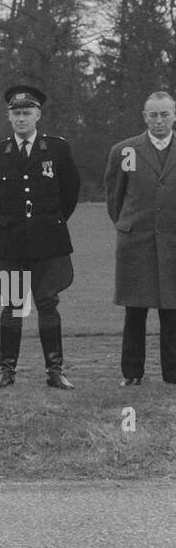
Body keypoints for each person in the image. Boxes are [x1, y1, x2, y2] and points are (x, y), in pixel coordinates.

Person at [0, 85, 79, 389]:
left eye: (26, 113)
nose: (21, 118)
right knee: (12, 305)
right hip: (11, 241)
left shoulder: (58, 148)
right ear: (9, 117)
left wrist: (53, 220)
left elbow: (70, 192)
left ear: (38, 115)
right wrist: (10, 222)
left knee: (48, 303)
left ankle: (55, 370)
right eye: (16, 113)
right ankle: (7, 371)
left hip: (49, 240)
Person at [103, 91, 176, 386]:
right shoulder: (125, 151)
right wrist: (128, 225)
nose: (159, 121)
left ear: (174, 115)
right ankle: (132, 374)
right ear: (144, 117)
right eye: (153, 115)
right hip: (136, 244)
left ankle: (172, 374)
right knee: (135, 313)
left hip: (173, 243)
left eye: (164, 114)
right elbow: (114, 198)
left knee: (172, 312)